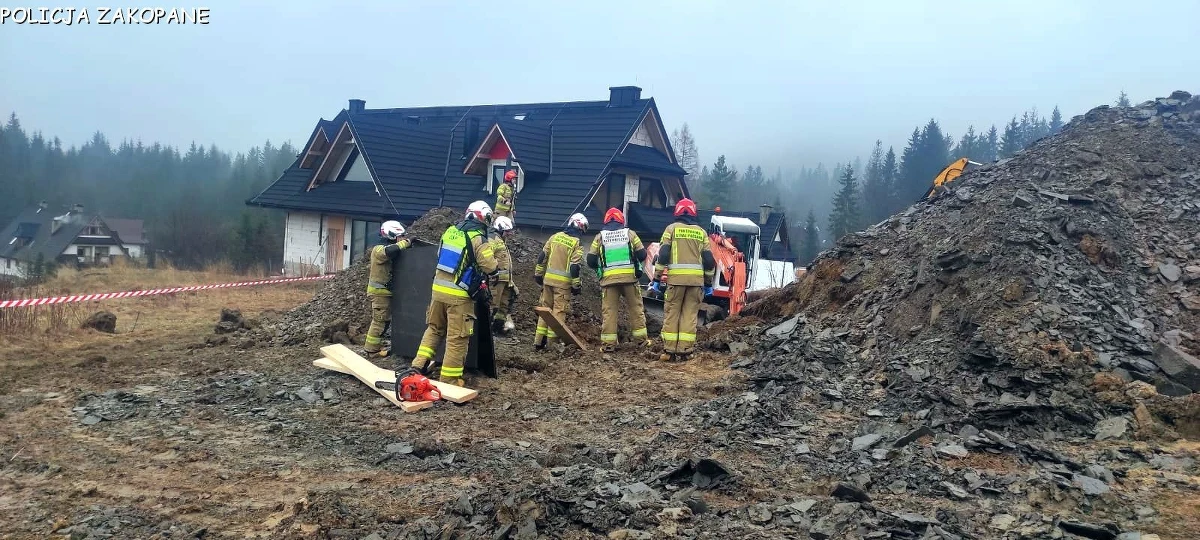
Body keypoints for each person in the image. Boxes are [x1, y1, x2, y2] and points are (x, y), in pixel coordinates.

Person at [409, 201, 498, 386]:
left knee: (434, 329)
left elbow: (440, 255)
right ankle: (449, 379)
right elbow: (489, 266)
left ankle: (418, 366)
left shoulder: (449, 231)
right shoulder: (478, 238)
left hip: (437, 291)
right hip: (459, 295)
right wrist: (495, 269)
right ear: (484, 217)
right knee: (457, 338)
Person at [650, 198, 715, 361]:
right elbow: (709, 260)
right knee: (690, 315)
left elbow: (663, 255)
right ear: (693, 213)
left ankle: (669, 352)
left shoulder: (671, 229)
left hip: (675, 281)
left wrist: (657, 279)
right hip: (696, 283)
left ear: (677, 212)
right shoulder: (701, 233)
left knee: (672, 314)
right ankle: (685, 351)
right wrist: (708, 283)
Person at [586, 207, 650, 353]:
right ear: (622, 220)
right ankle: (641, 342)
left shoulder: (599, 237)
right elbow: (642, 254)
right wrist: (635, 264)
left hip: (609, 281)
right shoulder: (630, 234)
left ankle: (608, 345)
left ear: (606, 221)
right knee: (636, 309)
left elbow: (590, 260)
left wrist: (600, 270)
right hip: (630, 279)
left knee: (609, 312)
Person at [533, 212, 587, 350]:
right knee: (558, 312)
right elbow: (574, 267)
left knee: (545, 310)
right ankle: (552, 344)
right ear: (580, 227)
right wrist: (576, 285)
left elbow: (542, 256)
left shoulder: (555, 237)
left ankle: (538, 342)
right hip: (562, 286)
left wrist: (538, 274)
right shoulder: (577, 243)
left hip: (547, 281)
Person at [363, 220, 411, 355]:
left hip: (385, 292)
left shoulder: (391, 250)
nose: (402, 238)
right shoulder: (378, 249)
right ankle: (371, 350)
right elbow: (389, 251)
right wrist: (407, 243)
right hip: (379, 293)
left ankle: (374, 347)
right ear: (392, 235)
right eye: (401, 236)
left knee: (385, 321)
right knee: (379, 321)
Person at [488, 215, 519, 334]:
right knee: (493, 306)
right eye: (507, 231)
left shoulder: (501, 240)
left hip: (505, 281)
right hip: (496, 281)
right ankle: (487, 331)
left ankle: (498, 328)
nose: (509, 234)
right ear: (500, 229)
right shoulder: (492, 240)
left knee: (503, 305)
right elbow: (487, 259)